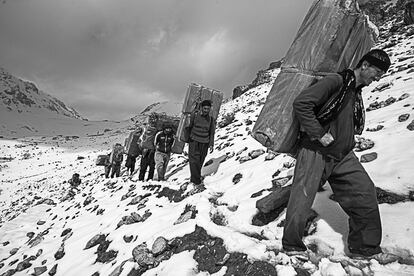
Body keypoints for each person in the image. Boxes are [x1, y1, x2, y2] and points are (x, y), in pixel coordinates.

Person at [282, 49, 391, 259]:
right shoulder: (336, 81)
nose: (378, 77)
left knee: (365, 192)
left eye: (382, 74)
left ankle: (364, 248)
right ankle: (291, 245)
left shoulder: (355, 91)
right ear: (365, 65)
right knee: (302, 199)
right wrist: (319, 134)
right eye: (377, 71)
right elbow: (302, 103)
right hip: (316, 152)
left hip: (343, 156)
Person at [187, 100, 216, 185]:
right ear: (201, 108)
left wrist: (211, 144)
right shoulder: (194, 115)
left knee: (200, 161)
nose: (206, 110)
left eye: (208, 109)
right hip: (194, 141)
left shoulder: (210, 119)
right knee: (193, 161)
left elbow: (212, 132)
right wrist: (188, 138)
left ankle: (196, 177)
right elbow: (189, 126)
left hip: (205, 142)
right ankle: (195, 181)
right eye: (205, 108)